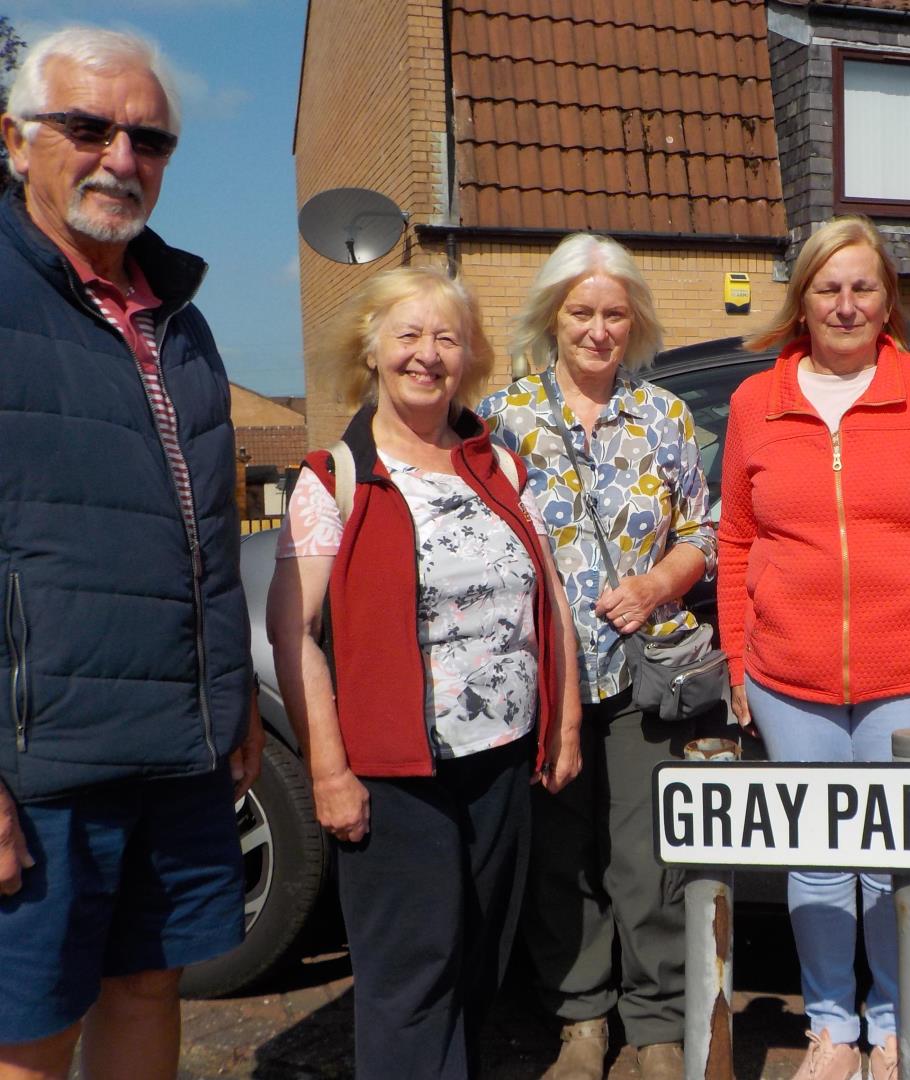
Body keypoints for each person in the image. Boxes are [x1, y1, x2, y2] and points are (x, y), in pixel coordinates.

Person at [0, 27, 263, 1080]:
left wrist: (232, 692)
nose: (121, 156)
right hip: (41, 759)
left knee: (153, 985)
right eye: (88, 127)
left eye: (148, 137)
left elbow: (206, 529)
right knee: (28, 1031)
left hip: (177, 746)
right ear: (15, 141)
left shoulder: (180, 320)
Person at [267, 266, 581, 1079]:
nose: (427, 354)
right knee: (410, 979)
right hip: (395, 773)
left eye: (446, 337)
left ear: (468, 357)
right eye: (407, 334)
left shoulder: (496, 466)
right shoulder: (332, 478)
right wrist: (329, 770)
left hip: (503, 758)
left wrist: (565, 720)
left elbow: (547, 596)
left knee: (480, 963)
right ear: (371, 348)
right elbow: (292, 630)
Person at [717, 215, 910, 1080]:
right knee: (817, 864)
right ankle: (834, 1026)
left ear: (887, 303)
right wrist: (737, 658)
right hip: (787, 680)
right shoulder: (753, 402)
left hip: (906, 681)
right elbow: (733, 541)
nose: (844, 304)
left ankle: (899, 1027)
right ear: (802, 300)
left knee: (895, 866)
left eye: (862, 288)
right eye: (827, 287)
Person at [480, 233, 714, 1080]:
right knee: (560, 856)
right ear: (553, 316)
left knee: (647, 857)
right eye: (582, 311)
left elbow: (705, 530)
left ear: (635, 323)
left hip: (645, 669)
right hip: (544, 679)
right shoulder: (505, 419)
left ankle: (654, 1024)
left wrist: (657, 584)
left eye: (615, 314)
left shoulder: (664, 416)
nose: (598, 329)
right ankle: (581, 1018)